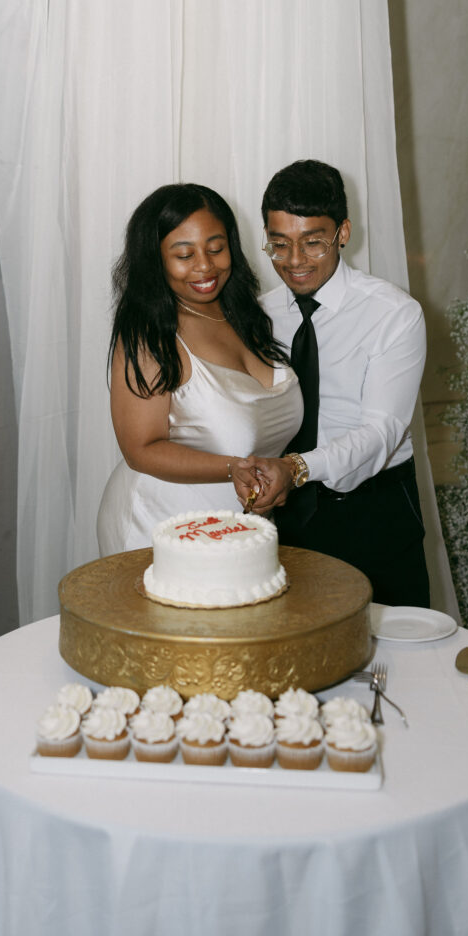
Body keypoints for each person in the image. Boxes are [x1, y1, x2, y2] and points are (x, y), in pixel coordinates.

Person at [244, 159, 430, 608]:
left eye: (313, 243)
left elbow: (382, 430)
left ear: (343, 233)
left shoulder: (394, 314)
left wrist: (298, 468)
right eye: (279, 244)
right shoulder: (258, 315)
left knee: (393, 665)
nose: (294, 261)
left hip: (374, 514)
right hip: (284, 516)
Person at [96, 182, 303, 556]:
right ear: (156, 260)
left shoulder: (248, 314)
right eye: (184, 254)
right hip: (163, 527)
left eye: (216, 248)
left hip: (244, 527)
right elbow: (140, 450)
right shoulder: (151, 335)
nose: (205, 266)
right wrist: (235, 468)